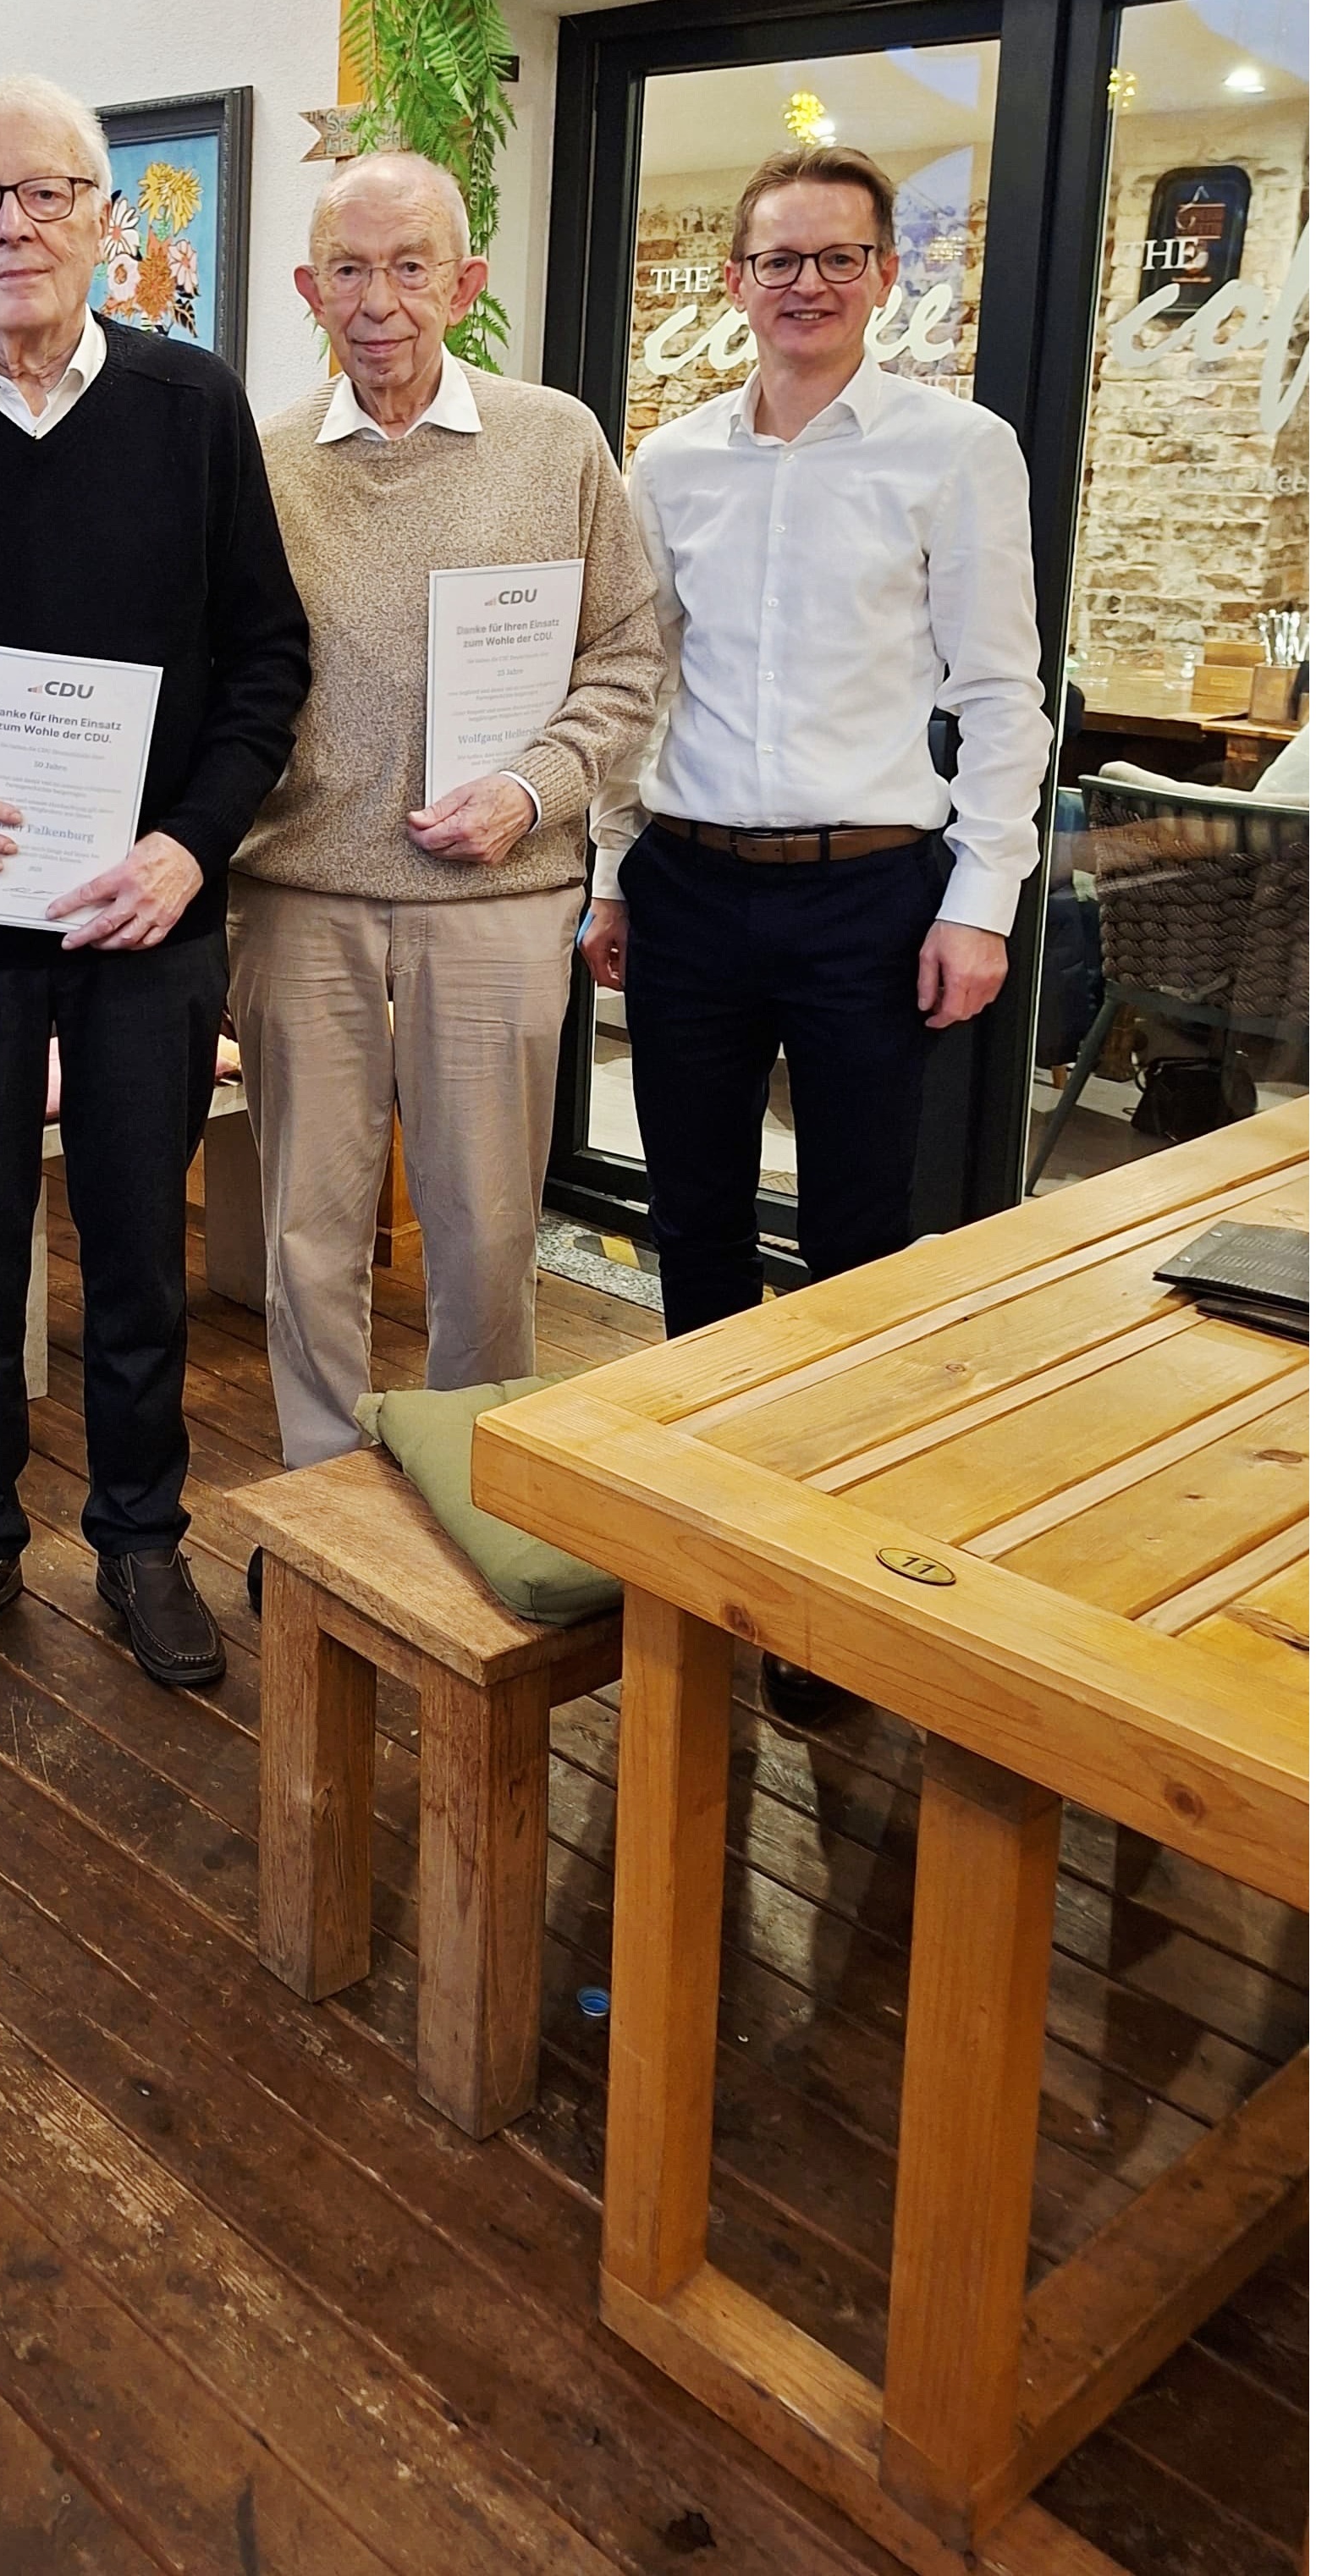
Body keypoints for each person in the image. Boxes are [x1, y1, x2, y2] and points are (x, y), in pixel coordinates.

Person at [0, 72, 309, 1694]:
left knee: (136, 1244)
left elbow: (263, 659)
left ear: (109, 221)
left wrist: (189, 847)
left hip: (144, 915)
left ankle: (142, 1534)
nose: (12, 225)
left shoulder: (190, 407)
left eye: (46, 195)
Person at [585, 143, 1051, 1723]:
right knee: (695, 1222)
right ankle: (709, 1527)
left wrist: (978, 902)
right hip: (692, 888)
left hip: (873, 895)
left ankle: (834, 1574)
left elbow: (999, 698)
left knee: (860, 1241)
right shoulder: (670, 464)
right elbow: (635, 686)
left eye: (836, 257)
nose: (804, 282)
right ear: (732, 280)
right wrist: (606, 875)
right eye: (776, 257)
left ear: (881, 275)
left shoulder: (954, 449)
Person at [232, 150, 658, 1502]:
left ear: (463, 283)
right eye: (348, 270)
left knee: (482, 1228)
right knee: (306, 1228)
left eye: (409, 266)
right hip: (298, 899)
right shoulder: (260, 462)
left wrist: (532, 788)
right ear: (309, 288)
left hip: (497, 910)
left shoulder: (556, 442)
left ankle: (479, 1497)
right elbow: (218, 676)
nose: (379, 301)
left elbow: (629, 657)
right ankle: (323, 1500)